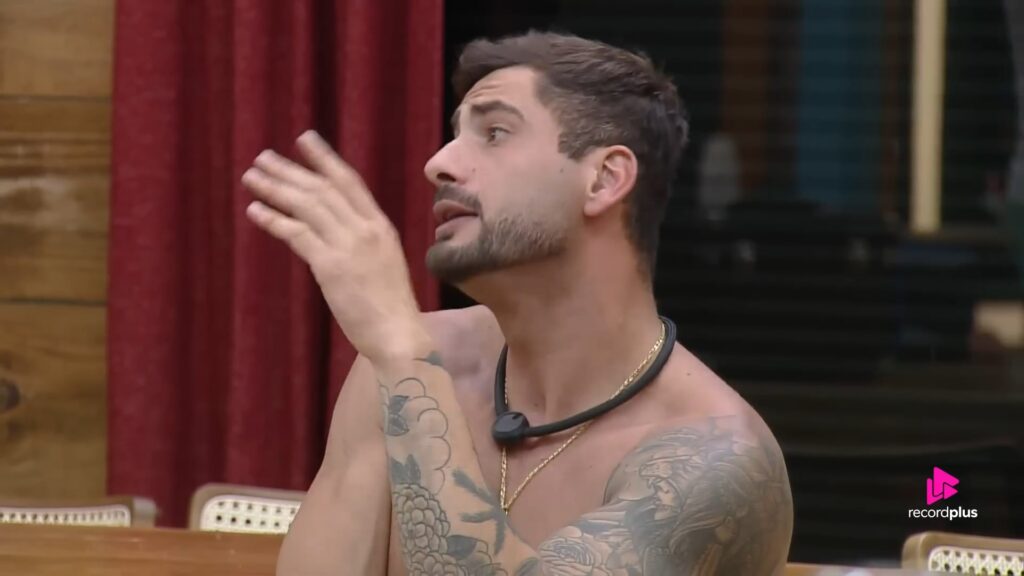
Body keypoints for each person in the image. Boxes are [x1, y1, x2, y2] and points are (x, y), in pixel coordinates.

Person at [242, 31, 793, 576]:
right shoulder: (408, 366)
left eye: (495, 133)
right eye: (455, 134)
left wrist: (404, 358)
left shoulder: (713, 459)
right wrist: (401, 360)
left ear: (604, 179)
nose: (439, 163)